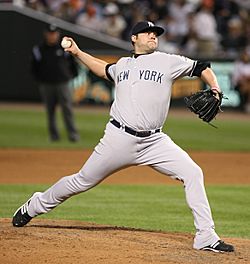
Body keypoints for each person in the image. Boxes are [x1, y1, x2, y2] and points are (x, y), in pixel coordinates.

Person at [13, 21, 234, 253]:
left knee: (193, 172)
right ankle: (35, 205)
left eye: (155, 33)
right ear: (133, 38)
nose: (152, 36)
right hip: (118, 138)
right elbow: (102, 69)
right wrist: (77, 52)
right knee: (81, 181)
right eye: (147, 33)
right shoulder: (123, 65)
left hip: (154, 142)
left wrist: (216, 88)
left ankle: (206, 236)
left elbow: (202, 67)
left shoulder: (168, 61)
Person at [31, 24, 80, 142]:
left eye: (54, 33)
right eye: (50, 33)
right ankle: (54, 136)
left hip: (63, 83)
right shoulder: (39, 49)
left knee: (67, 110)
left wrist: (70, 77)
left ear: (57, 35)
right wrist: (40, 79)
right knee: (50, 111)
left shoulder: (64, 49)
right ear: (46, 34)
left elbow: (74, 65)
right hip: (46, 84)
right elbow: (34, 67)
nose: (52, 36)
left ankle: (73, 135)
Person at [232, 48, 250, 113]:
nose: (246, 57)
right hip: (238, 84)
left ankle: (247, 105)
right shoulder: (238, 65)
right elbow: (236, 78)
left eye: (247, 56)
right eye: (244, 55)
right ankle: (247, 105)